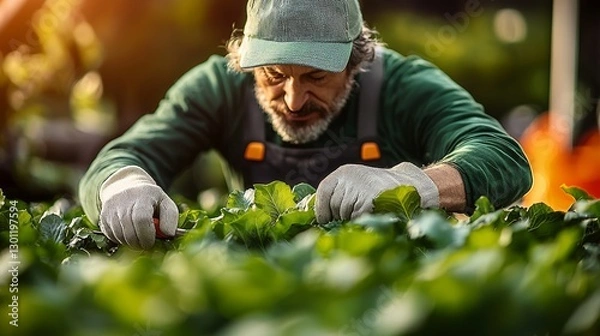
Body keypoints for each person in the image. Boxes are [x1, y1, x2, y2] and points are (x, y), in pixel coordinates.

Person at [79, 0, 533, 249]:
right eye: (274, 77)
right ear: (245, 59)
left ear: (357, 61)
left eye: (315, 77)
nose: (293, 100)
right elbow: (126, 154)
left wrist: (405, 184)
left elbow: (501, 155)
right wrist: (123, 185)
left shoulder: (404, 85)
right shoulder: (219, 87)